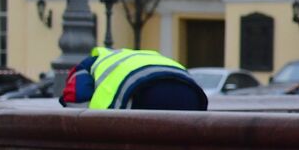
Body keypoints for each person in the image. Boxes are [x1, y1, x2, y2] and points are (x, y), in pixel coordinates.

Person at [59, 46, 208, 111]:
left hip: (143, 92)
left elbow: (77, 101)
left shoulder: (86, 66)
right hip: (191, 91)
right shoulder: (123, 57)